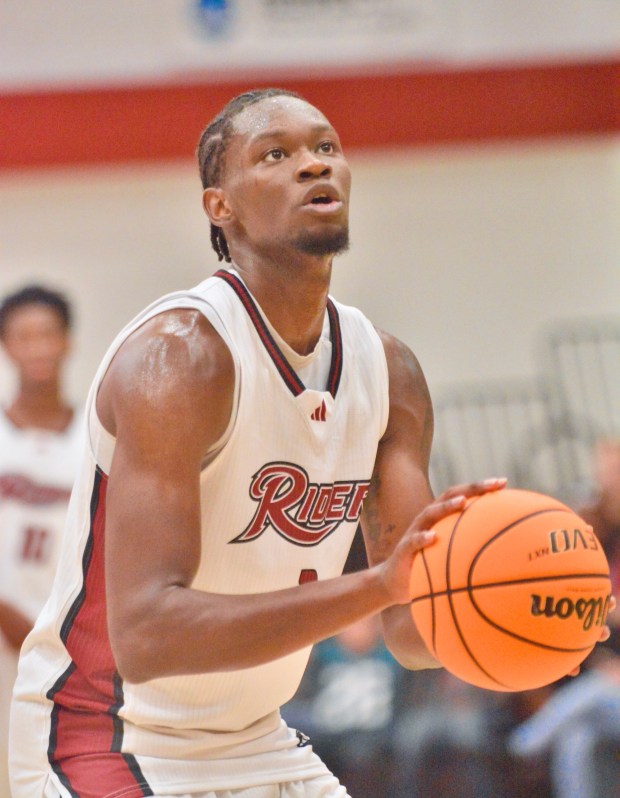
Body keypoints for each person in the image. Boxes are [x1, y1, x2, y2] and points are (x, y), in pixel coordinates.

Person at [8, 89, 608, 798]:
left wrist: (523, 625)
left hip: (260, 735)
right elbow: (146, 636)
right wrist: (377, 584)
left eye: (325, 148)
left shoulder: (389, 372)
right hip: (105, 733)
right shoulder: (180, 358)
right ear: (218, 206)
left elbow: (410, 630)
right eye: (276, 155)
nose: (312, 166)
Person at [0, 285, 82, 797]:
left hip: (64, 637)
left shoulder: (93, 437)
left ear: (67, 341)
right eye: (23, 336)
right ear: (6, 346)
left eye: (47, 334)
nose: (37, 347)